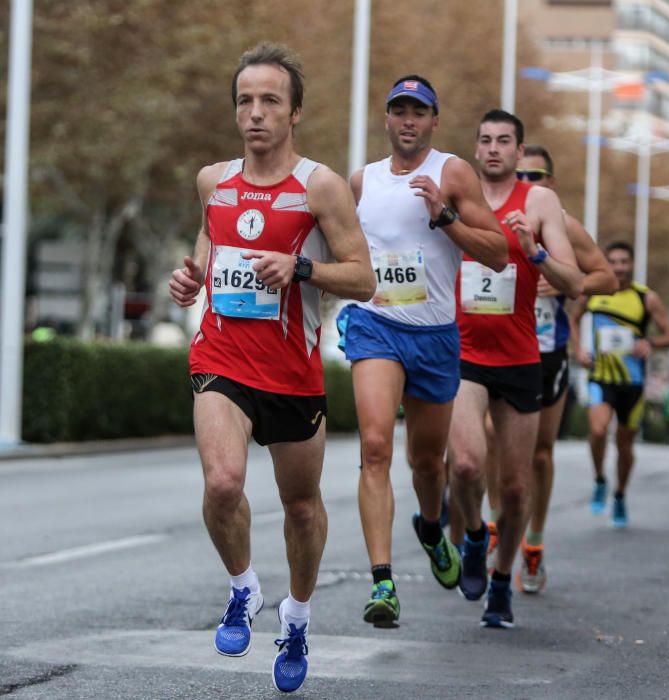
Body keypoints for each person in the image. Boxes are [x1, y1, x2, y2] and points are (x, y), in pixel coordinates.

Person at [168, 43, 375, 693]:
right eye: (245, 101)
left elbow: (364, 278)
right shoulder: (212, 181)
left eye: (269, 101)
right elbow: (209, 245)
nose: (255, 114)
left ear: (294, 114)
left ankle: (297, 616)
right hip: (221, 357)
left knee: (302, 509)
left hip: (290, 372)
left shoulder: (320, 186)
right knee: (223, 483)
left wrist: (302, 268)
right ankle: (241, 589)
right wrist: (189, 278)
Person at [340, 76, 508, 628]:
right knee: (375, 445)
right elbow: (327, 246)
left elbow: (500, 253)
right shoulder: (361, 182)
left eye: (419, 111)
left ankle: (433, 527)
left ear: (434, 120)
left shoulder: (452, 171)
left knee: (427, 464)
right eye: (399, 111)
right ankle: (383, 581)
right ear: (386, 119)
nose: (408, 120)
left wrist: (446, 217)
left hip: (434, 336)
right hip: (375, 324)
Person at [447, 110, 583, 628]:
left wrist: (536, 252)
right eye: (485, 140)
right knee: (463, 464)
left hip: (522, 355)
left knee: (515, 487)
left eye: (505, 141)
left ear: (519, 151)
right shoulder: (457, 193)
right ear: (475, 148)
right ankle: (476, 536)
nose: (494, 149)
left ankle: (501, 580)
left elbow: (573, 283)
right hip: (462, 353)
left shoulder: (541, 202)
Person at [468, 144, 617, 594]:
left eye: (538, 175)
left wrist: (558, 279)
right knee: (488, 436)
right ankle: (496, 521)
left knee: (539, 454)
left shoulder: (563, 224)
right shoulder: (484, 211)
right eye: (523, 173)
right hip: (490, 343)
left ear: (550, 183)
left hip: (544, 348)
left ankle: (533, 542)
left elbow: (606, 278)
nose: (528, 182)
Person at [569, 241, 669, 528]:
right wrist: (578, 350)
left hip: (633, 381)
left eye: (623, 261)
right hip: (601, 376)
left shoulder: (646, 298)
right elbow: (573, 320)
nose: (618, 267)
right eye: (613, 261)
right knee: (598, 428)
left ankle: (619, 494)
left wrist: (650, 342)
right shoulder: (594, 291)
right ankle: (600, 479)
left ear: (632, 265)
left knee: (625, 444)